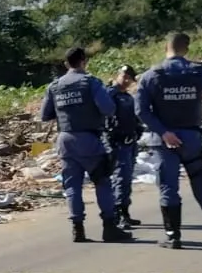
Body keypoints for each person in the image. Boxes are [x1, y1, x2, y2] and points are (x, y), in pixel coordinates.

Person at [135, 31, 202, 249]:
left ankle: (173, 237)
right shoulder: (199, 71)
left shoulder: (150, 75)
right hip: (192, 139)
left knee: (168, 188)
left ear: (166, 47)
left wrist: (164, 132)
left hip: (164, 141)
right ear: (187, 49)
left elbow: (141, 111)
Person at [41, 47, 133, 243]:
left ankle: (78, 230)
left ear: (66, 64)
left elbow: (45, 115)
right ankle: (109, 227)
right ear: (84, 61)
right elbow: (108, 109)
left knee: (72, 186)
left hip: (65, 141)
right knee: (102, 182)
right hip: (89, 140)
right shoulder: (90, 82)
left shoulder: (54, 86)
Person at [106, 65, 144, 230]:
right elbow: (105, 120)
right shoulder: (108, 94)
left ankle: (125, 212)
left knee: (126, 178)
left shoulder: (128, 97)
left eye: (130, 78)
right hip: (116, 143)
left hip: (130, 142)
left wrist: (138, 129)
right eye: (124, 76)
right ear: (118, 75)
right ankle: (119, 214)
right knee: (120, 178)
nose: (127, 81)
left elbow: (134, 118)